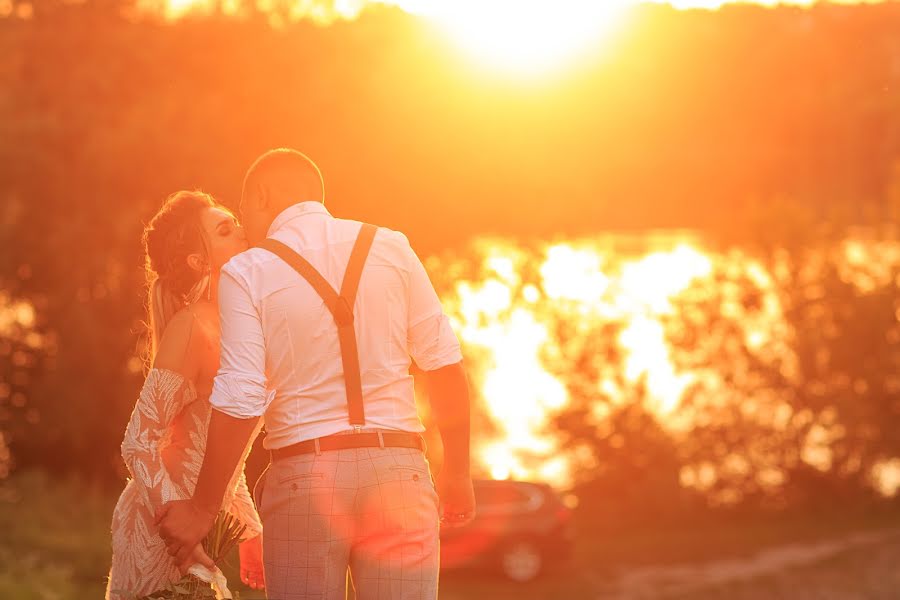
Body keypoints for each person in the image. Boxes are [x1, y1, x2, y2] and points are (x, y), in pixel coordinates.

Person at [156, 148, 476, 599]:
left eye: (245, 209)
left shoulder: (248, 271)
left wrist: (202, 508)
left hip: (305, 479)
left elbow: (242, 395)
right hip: (399, 473)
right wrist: (458, 472)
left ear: (262, 196)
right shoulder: (391, 246)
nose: (245, 226)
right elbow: (443, 363)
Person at [106, 191, 266, 599]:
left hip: (204, 526)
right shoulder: (192, 326)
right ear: (200, 261)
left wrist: (250, 531)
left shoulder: (244, 323)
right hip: (160, 523)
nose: (244, 232)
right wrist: (179, 523)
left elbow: (225, 445)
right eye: (226, 230)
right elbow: (138, 443)